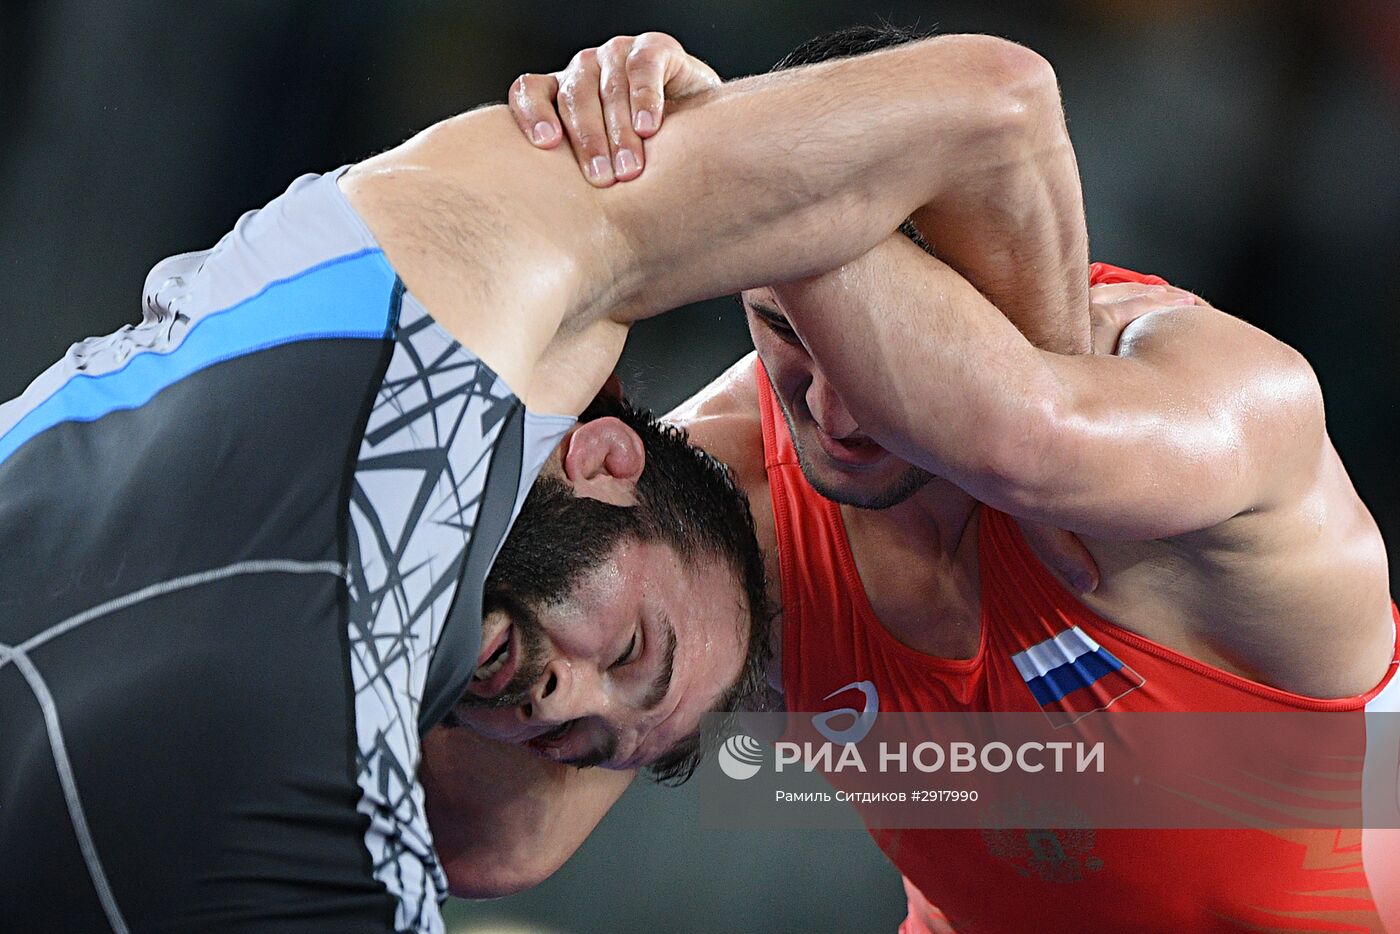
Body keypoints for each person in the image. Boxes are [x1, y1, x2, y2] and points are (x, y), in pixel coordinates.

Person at [0, 30, 1071, 934]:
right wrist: (1044, 485)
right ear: (602, 461)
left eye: (583, 743)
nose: (563, 698)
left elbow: (504, 843)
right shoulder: (483, 265)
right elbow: (998, 106)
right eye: (630, 651)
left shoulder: (360, 831)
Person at [434, 25, 1400, 930]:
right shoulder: (715, 508)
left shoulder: (1221, 404)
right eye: (783, 333)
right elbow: (506, 836)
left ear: (1006, 289)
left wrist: (713, 150)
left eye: (878, 357)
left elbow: (1028, 433)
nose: (835, 416)